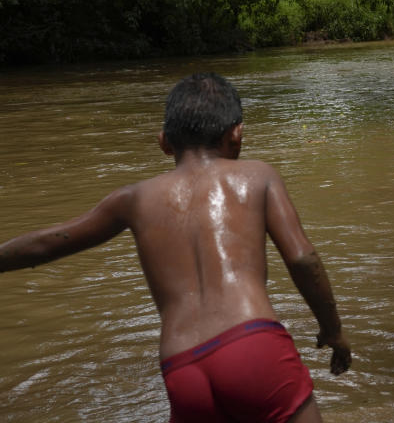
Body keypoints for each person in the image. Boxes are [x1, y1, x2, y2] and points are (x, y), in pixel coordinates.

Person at [0, 73, 351, 423]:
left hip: (182, 366)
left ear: (164, 142)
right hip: (252, 343)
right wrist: (332, 329)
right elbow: (303, 258)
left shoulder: (132, 199)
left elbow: (48, 243)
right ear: (237, 134)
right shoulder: (258, 175)